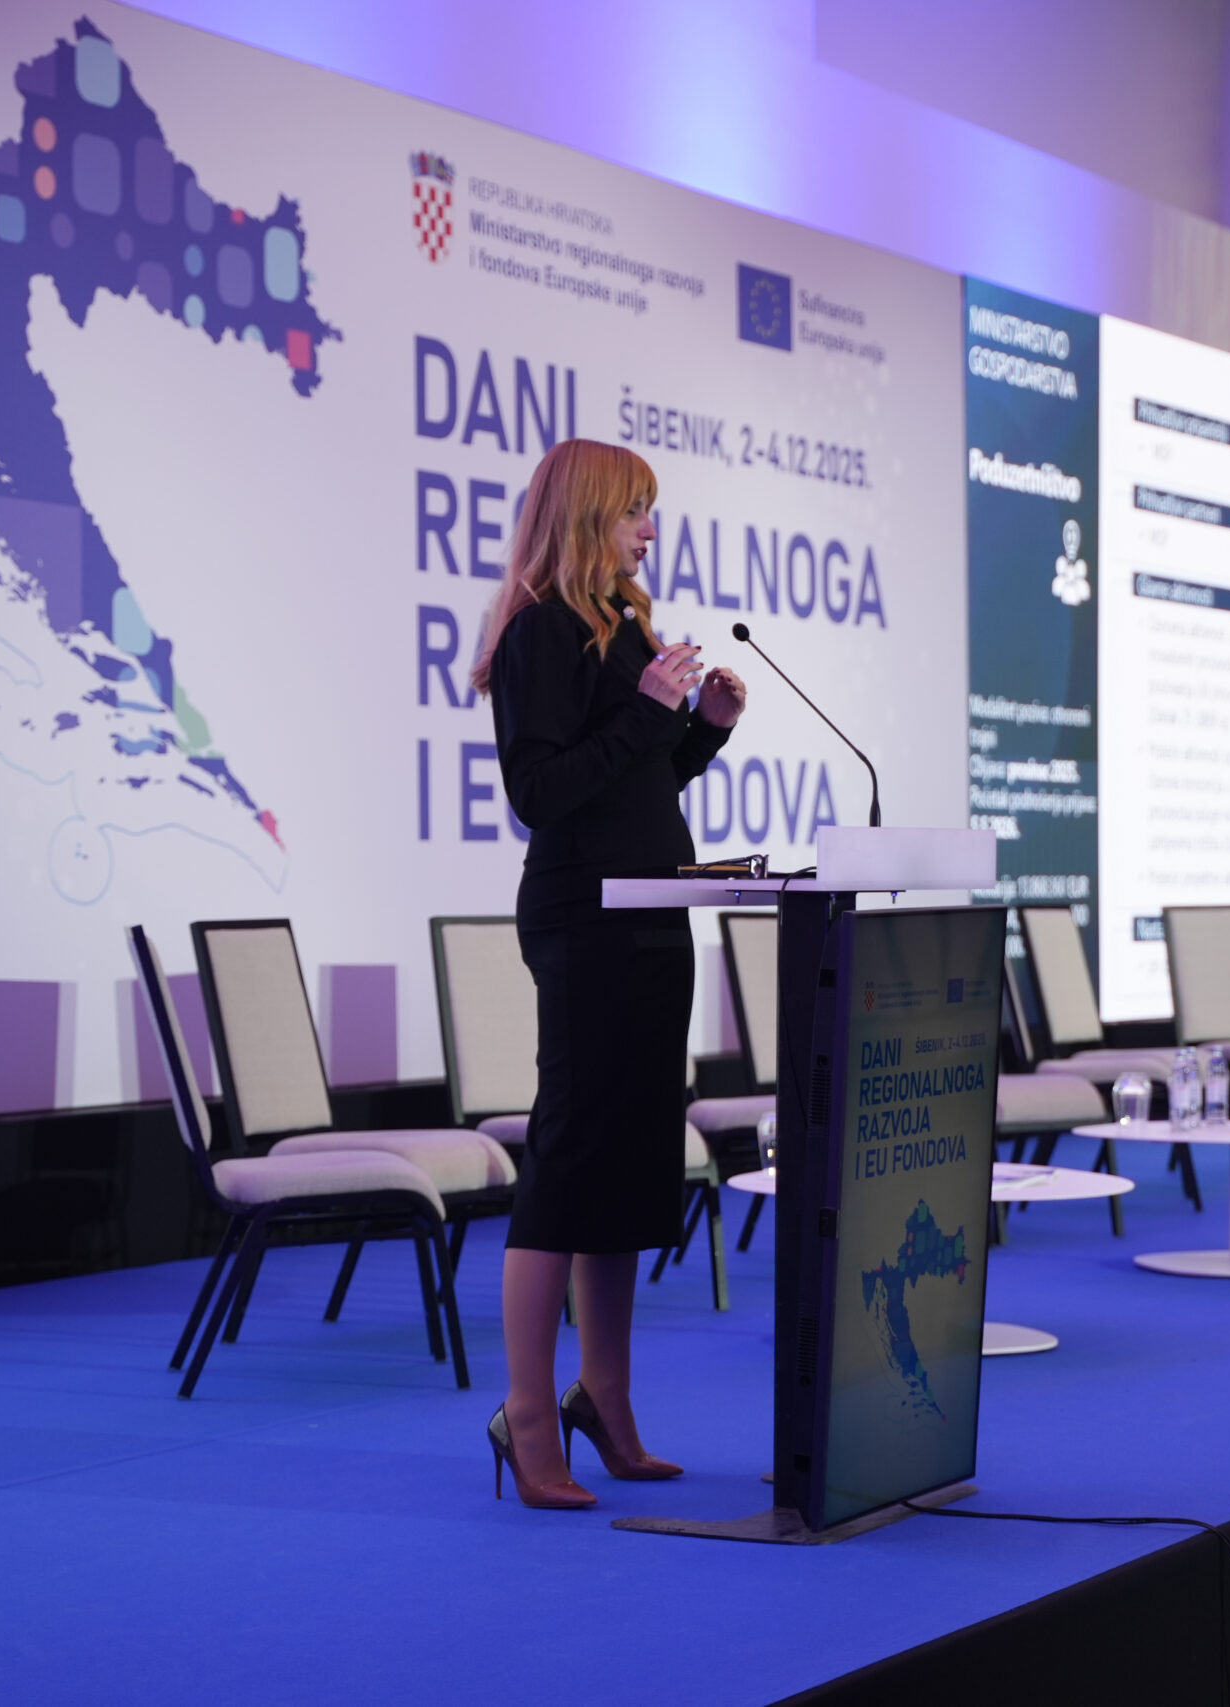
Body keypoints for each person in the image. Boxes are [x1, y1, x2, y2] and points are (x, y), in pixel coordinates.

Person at [470, 439, 745, 1510]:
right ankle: (528, 1416)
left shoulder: (622, 625)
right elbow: (542, 793)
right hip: (583, 920)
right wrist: (647, 710)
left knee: (630, 1167)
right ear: (587, 515)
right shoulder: (540, 630)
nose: (649, 530)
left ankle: (608, 1399)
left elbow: (636, 780)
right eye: (635, 511)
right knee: (569, 1165)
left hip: (652, 913)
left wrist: (702, 731)